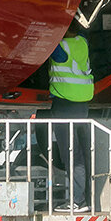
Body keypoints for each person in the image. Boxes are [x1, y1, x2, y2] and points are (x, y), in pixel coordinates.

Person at [48, 19, 94, 211]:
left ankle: (77, 201)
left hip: (65, 104)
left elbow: (47, 44)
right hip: (82, 104)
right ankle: (85, 198)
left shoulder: (60, 48)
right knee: (82, 154)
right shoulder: (82, 42)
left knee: (71, 155)